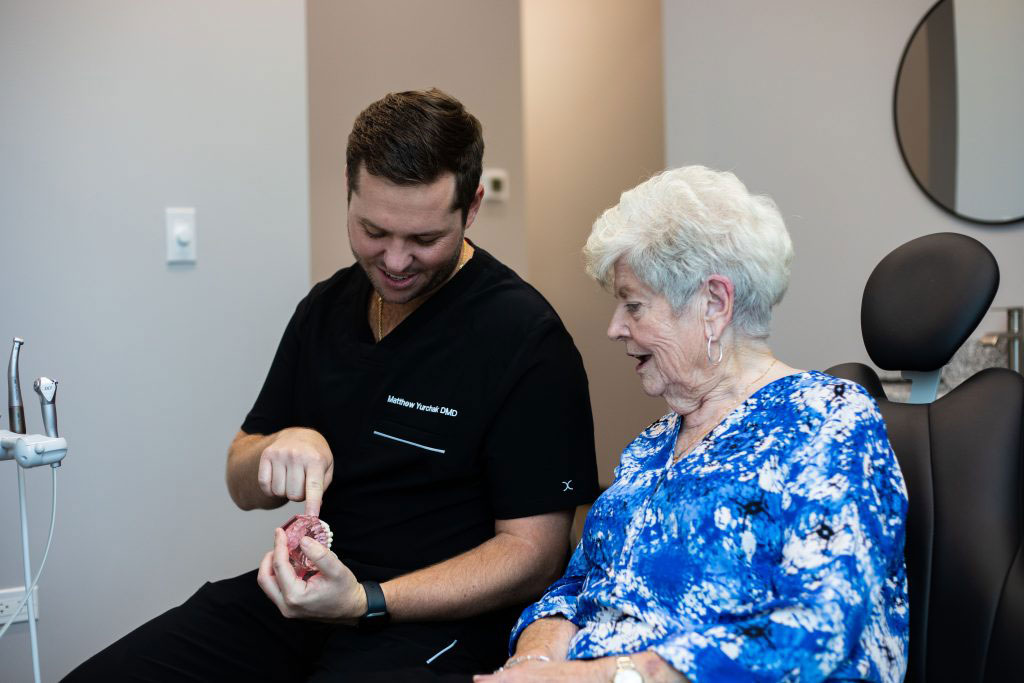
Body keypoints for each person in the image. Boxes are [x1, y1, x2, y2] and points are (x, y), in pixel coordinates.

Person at [66, 89, 599, 681]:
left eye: (424, 240)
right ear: (348, 185)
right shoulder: (326, 308)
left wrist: (367, 600)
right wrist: (277, 447)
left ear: (471, 208)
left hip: (432, 624)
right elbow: (242, 480)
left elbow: (535, 555)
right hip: (308, 600)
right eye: (374, 230)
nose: (395, 260)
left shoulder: (524, 337)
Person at [475, 166, 909, 683]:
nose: (615, 328)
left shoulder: (828, 420)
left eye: (633, 304)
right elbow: (575, 588)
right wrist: (533, 663)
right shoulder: (651, 446)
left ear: (713, 304)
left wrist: (611, 676)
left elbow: (818, 627)